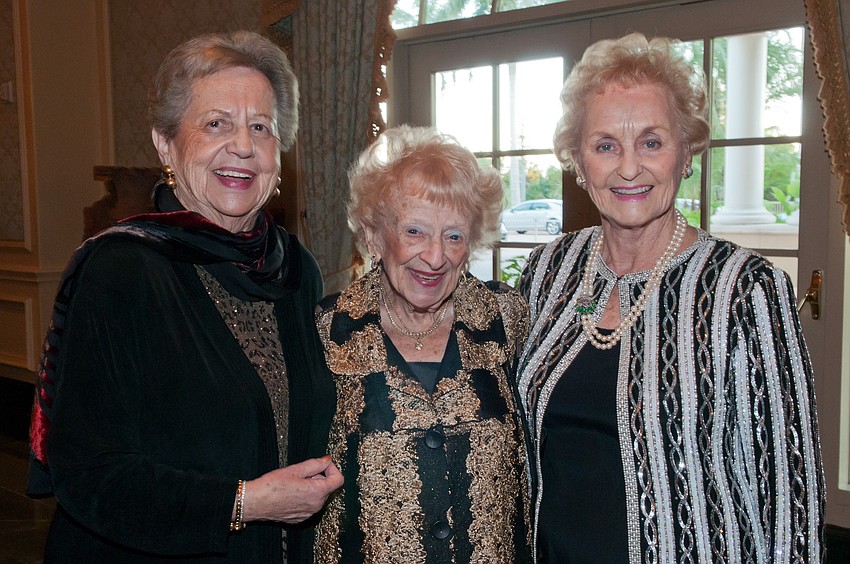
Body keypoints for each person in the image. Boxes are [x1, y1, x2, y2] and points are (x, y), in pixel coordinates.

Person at [27, 31, 342, 563]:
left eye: (260, 127)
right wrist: (246, 502)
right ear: (166, 144)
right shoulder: (123, 269)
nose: (242, 145)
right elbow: (89, 476)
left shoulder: (294, 268)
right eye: (216, 124)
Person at [516, 32, 825, 563]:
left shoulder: (745, 291)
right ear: (578, 161)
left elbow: (789, 502)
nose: (629, 168)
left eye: (652, 142)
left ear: (687, 153)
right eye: (606, 144)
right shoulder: (548, 272)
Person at [313, 125, 532, 563]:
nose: (435, 257)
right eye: (414, 231)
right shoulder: (327, 328)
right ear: (375, 236)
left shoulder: (505, 317)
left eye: (453, 236)